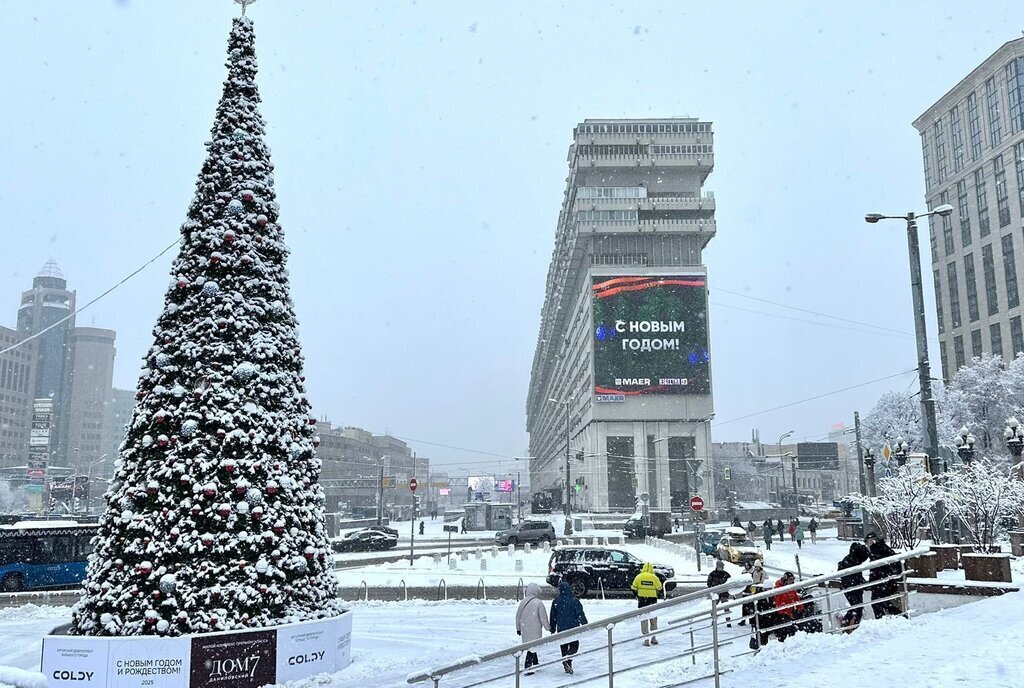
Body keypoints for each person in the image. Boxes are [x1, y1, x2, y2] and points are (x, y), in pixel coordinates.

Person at [550, 580, 588, 674]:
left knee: (563, 646)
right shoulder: (574, 600)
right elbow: (580, 614)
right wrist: (585, 624)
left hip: (561, 629)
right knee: (574, 646)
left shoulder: (556, 601)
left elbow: (553, 616)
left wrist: (552, 627)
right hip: (573, 628)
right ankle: (568, 659)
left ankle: (566, 661)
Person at [865, 532, 902, 619]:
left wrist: (872, 582)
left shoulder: (876, 549)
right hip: (886, 580)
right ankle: (897, 616)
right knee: (882, 602)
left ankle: (897, 616)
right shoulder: (882, 548)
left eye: (868, 542)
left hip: (883, 581)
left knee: (878, 602)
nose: (867, 545)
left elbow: (876, 569)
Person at [515, 583, 551, 674]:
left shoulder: (523, 602)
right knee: (533, 647)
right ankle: (528, 667)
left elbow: (518, 616)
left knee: (531, 646)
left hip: (525, 629)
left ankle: (535, 663)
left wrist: (518, 628)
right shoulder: (538, 603)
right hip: (535, 629)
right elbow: (543, 618)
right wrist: (548, 628)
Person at [837, 542, 870, 631]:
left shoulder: (850, 559)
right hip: (852, 586)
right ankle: (849, 625)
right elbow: (856, 576)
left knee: (857, 607)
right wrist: (864, 583)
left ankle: (847, 622)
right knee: (858, 607)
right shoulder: (854, 561)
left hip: (850, 586)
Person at [631, 562, 663, 645]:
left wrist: (638, 594)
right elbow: (659, 587)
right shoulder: (654, 577)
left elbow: (633, 587)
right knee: (653, 620)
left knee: (644, 620)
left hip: (642, 601)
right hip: (652, 601)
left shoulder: (639, 577)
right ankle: (654, 638)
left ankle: (646, 640)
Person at [771, 571, 803, 641]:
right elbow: (777, 603)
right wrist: (785, 613)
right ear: (786, 580)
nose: (792, 581)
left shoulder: (791, 588)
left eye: (793, 579)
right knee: (784, 632)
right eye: (790, 580)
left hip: (790, 613)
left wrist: (800, 608)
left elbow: (796, 598)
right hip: (781, 615)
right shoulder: (779, 589)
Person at [706, 560, 733, 626]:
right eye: (719, 567)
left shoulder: (726, 574)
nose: (720, 568)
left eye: (721, 567)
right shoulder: (712, 574)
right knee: (714, 608)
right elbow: (708, 583)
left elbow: (730, 582)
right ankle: (713, 621)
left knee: (726, 607)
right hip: (716, 593)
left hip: (724, 593)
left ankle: (728, 621)